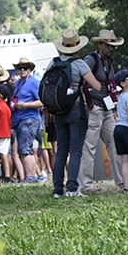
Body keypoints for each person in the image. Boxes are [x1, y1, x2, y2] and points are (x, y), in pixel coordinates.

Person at [48, 31, 100, 198]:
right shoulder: (79, 64)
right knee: (76, 150)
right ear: (77, 48)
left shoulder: (53, 63)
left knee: (61, 151)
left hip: (57, 111)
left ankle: (57, 190)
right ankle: (72, 188)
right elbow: (97, 86)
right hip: (75, 110)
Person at [82, 29, 128, 192]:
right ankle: (86, 185)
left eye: (113, 46)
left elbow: (110, 84)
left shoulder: (108, 61)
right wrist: (89, 104)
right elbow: (81, 80)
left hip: (106, 109)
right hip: (94, 108)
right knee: (89, 147)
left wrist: (114, 105)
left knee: (115, 143)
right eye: (108, 45)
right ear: (100, 45)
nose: (112, 49)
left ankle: (122, 180)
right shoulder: (91, 60)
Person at [10, 58, 44, 182]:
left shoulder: (34, 82)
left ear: (30, 70)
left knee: (25, 150)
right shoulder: (19, 82)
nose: (22, 70)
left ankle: (30, 177)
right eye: (20, 68)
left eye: (25, 68)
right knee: (24, 150)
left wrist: (25, 105)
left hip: (29, 119)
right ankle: (31, 176)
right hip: (20, 120)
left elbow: (42, 102)